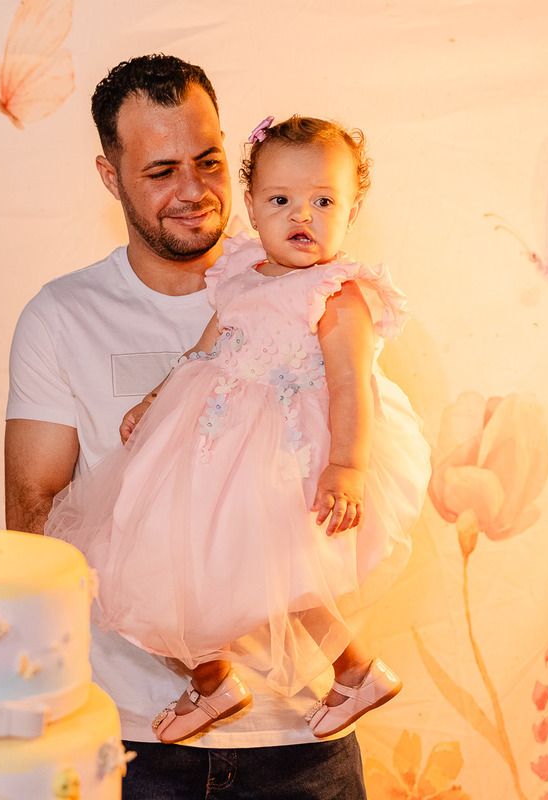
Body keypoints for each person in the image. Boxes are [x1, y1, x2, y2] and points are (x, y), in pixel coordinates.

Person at [6, 55, 369, 799]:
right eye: (161, 170)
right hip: (135, 741)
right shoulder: (61, 316)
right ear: (110, 177)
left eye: (207, 161)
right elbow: (36, 517)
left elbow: (353, 445)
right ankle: (206, 679)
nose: (194, 190)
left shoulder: (316, 288)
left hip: (303, 739)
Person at [47, 113, 431, 746]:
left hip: (285, 454)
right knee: (157, 554)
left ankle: (355, 671)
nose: (302, 215)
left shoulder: (337, 292)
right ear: (250, 207)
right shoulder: (240, 271)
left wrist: (347, 466)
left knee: (286, 576)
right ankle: (214, 680)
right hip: (208, 443)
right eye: (281, 200)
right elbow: (206, 349)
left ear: (353, 210)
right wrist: (156, 398)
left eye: (324, 201)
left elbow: (352, 385)